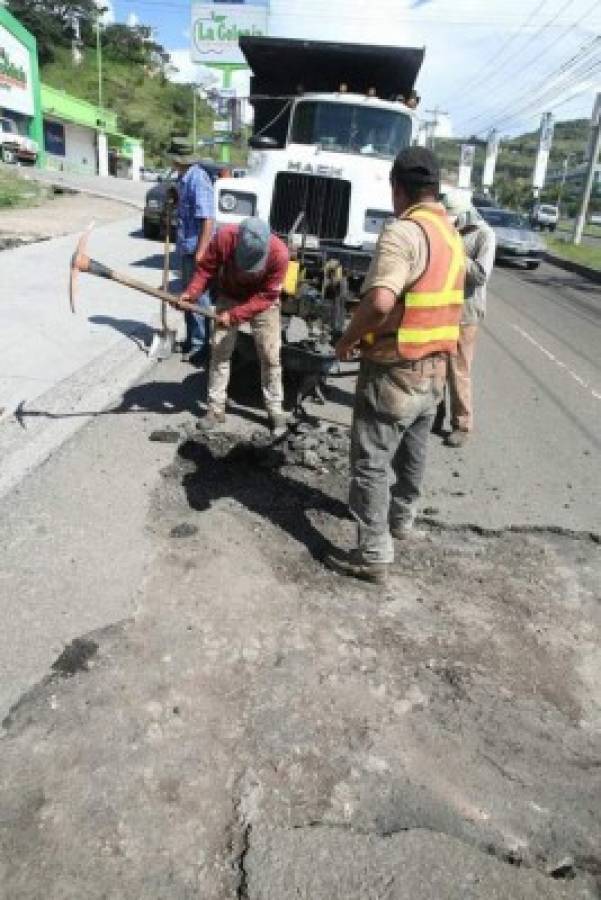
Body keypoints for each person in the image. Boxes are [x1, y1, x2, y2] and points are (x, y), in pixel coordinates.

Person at [326, 147, 466, 584]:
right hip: (435, 368)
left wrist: (348, 339)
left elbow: (382, 300)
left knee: (370, 460)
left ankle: (373, 553)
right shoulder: (451, 235)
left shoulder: (404, 233)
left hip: (395, 367)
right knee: (413, 452)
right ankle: (402, 521)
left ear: (398, 189)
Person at [178, 217, 289, 433]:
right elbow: (205, 270)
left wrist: (235, 315)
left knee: (270, 356)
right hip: (229, 294)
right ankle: (215, 408)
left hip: (264, 302)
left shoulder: (280, 254)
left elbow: (267, 296)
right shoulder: (224, 238)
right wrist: (191, 294)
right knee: (219, 352)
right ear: (237, 242)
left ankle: (275, 409)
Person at [436, 190, 496, 447]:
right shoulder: (451, 229)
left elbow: (481, 275)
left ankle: (462, 423)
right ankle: (433, 415)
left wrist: (454, 251)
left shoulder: (484, 235)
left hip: (466, 313)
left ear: (465, 214)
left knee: (458, 370)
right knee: (436, 366)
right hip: (441, 309)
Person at [173, 151, 215, 361]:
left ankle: (201, 347)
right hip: (186, 247)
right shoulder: (183, 179)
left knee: (198, 298)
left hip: (196, 250)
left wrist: (201, 251)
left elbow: (208, 219)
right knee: (187, 296)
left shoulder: (198, 179)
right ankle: (191, 339)